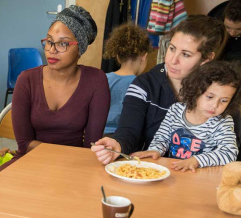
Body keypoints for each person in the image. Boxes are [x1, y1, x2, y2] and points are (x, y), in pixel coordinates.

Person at [91, 15, 228, 165]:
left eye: (186, 54)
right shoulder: (144, 85)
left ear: (206, 59)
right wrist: (117, 145)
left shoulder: (219, 94)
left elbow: (229, 148)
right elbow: (128, 132)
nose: (173, 60)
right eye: (172, 48)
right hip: (151, 173)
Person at [0, 5, 110, 172]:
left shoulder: (96, 81)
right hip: (30, 160)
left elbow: (91, 145)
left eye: (63, 44)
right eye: (49, 41)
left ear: (80, 48)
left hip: (74, 164)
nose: (51, 50)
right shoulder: (26, 80)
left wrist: (64, 163)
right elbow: (24, 143)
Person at [132, 61, 240, 172]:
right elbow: (162, 137)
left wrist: (196, 160)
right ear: (196, 90)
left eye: (224, 100)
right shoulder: (175, 110)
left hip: (200, 177)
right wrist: (155, 150)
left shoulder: (223, 122)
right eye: (209, 97)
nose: (215, 105)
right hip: (173, 171)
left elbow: (229, 153)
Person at [102, 23, 153, 134]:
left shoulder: (103, 78)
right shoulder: (142, 85)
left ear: (118, 57)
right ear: (144, 57)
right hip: (124, 139)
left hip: (98, 136)